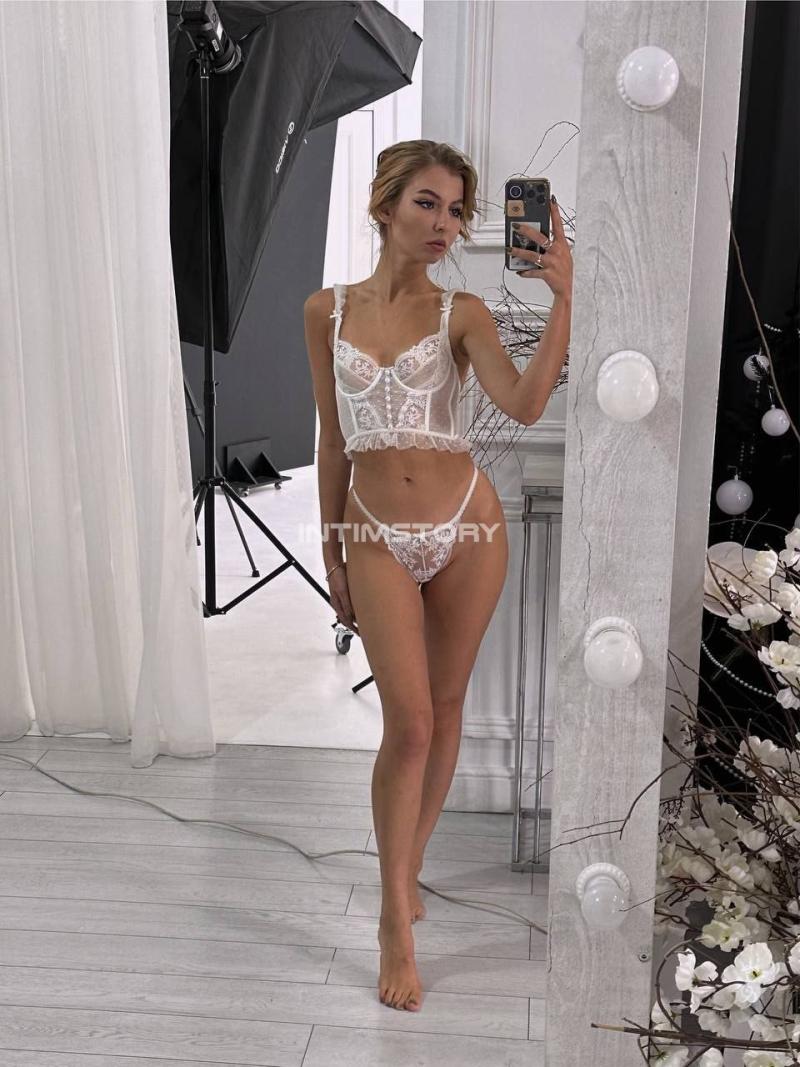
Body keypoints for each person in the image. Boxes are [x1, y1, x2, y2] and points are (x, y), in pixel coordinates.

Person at [303, 140, 573, 1013]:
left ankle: (406, 872)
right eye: (427, 203)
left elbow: (524, 404)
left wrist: (565, 298)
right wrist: (333, 551)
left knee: (446, 707)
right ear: (385, 205)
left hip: (468, 526)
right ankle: (394, 920)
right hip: (375, 533)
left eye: (456, 211)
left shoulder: (462, 312)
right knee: (409, 724)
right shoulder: (325, 312)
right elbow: (333, 439)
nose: (444, 224)